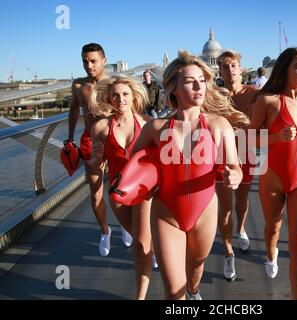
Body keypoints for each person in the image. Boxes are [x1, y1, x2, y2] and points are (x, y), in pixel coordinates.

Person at [132, 51, 247, 300]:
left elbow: (236, 168)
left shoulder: (218, 125)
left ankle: (194, 291)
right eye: (189, 81)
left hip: (204, 212)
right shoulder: (155, 129)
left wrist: (234, 177)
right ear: (173, 88)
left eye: (202, 80)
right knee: (174, 292)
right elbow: (133, 166)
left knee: (195, 267)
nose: (198, 86)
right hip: (166, 213)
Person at [249, 47, 297, 299]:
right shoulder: (267, 101)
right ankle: (270, 254)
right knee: (273, 226)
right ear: (285, 69)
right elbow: (249, 139)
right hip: (273, 178)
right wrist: (277, 136)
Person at [90, 75, 156, 299]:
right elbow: (97, 163)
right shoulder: (100, 127)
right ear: (108, 97)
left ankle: (140, 295)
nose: (121, 99)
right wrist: (92, 159)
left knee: (139, 245)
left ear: (134, 96)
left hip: (144, 192)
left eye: (125, 94)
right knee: (141, 238)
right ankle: (154, 248)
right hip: (118, 195)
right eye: (115, 95)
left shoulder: (147, 123)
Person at [67, 43, 132, 256]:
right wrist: (69, 139)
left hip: (113, 137)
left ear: (104, 61)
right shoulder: (78, 86)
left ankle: (125, 224)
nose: (89, 65)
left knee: (121, 188)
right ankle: (105, 232)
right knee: (96, 195)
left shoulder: (115, 84)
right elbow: (74, 111)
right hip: (90, 140)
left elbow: (130, 109)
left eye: (93, 60)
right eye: (85, 61)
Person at [216, 50, 259, 281]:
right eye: (224, 66)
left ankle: (240, 229)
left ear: (241, 68)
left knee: (242, 200)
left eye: (233, 65)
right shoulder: (214, 95)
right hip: (221, 154)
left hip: (246, 151)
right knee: (225, 207)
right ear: (219, 71)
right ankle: (228, 251)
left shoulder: (255, 93)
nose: (230, 70)